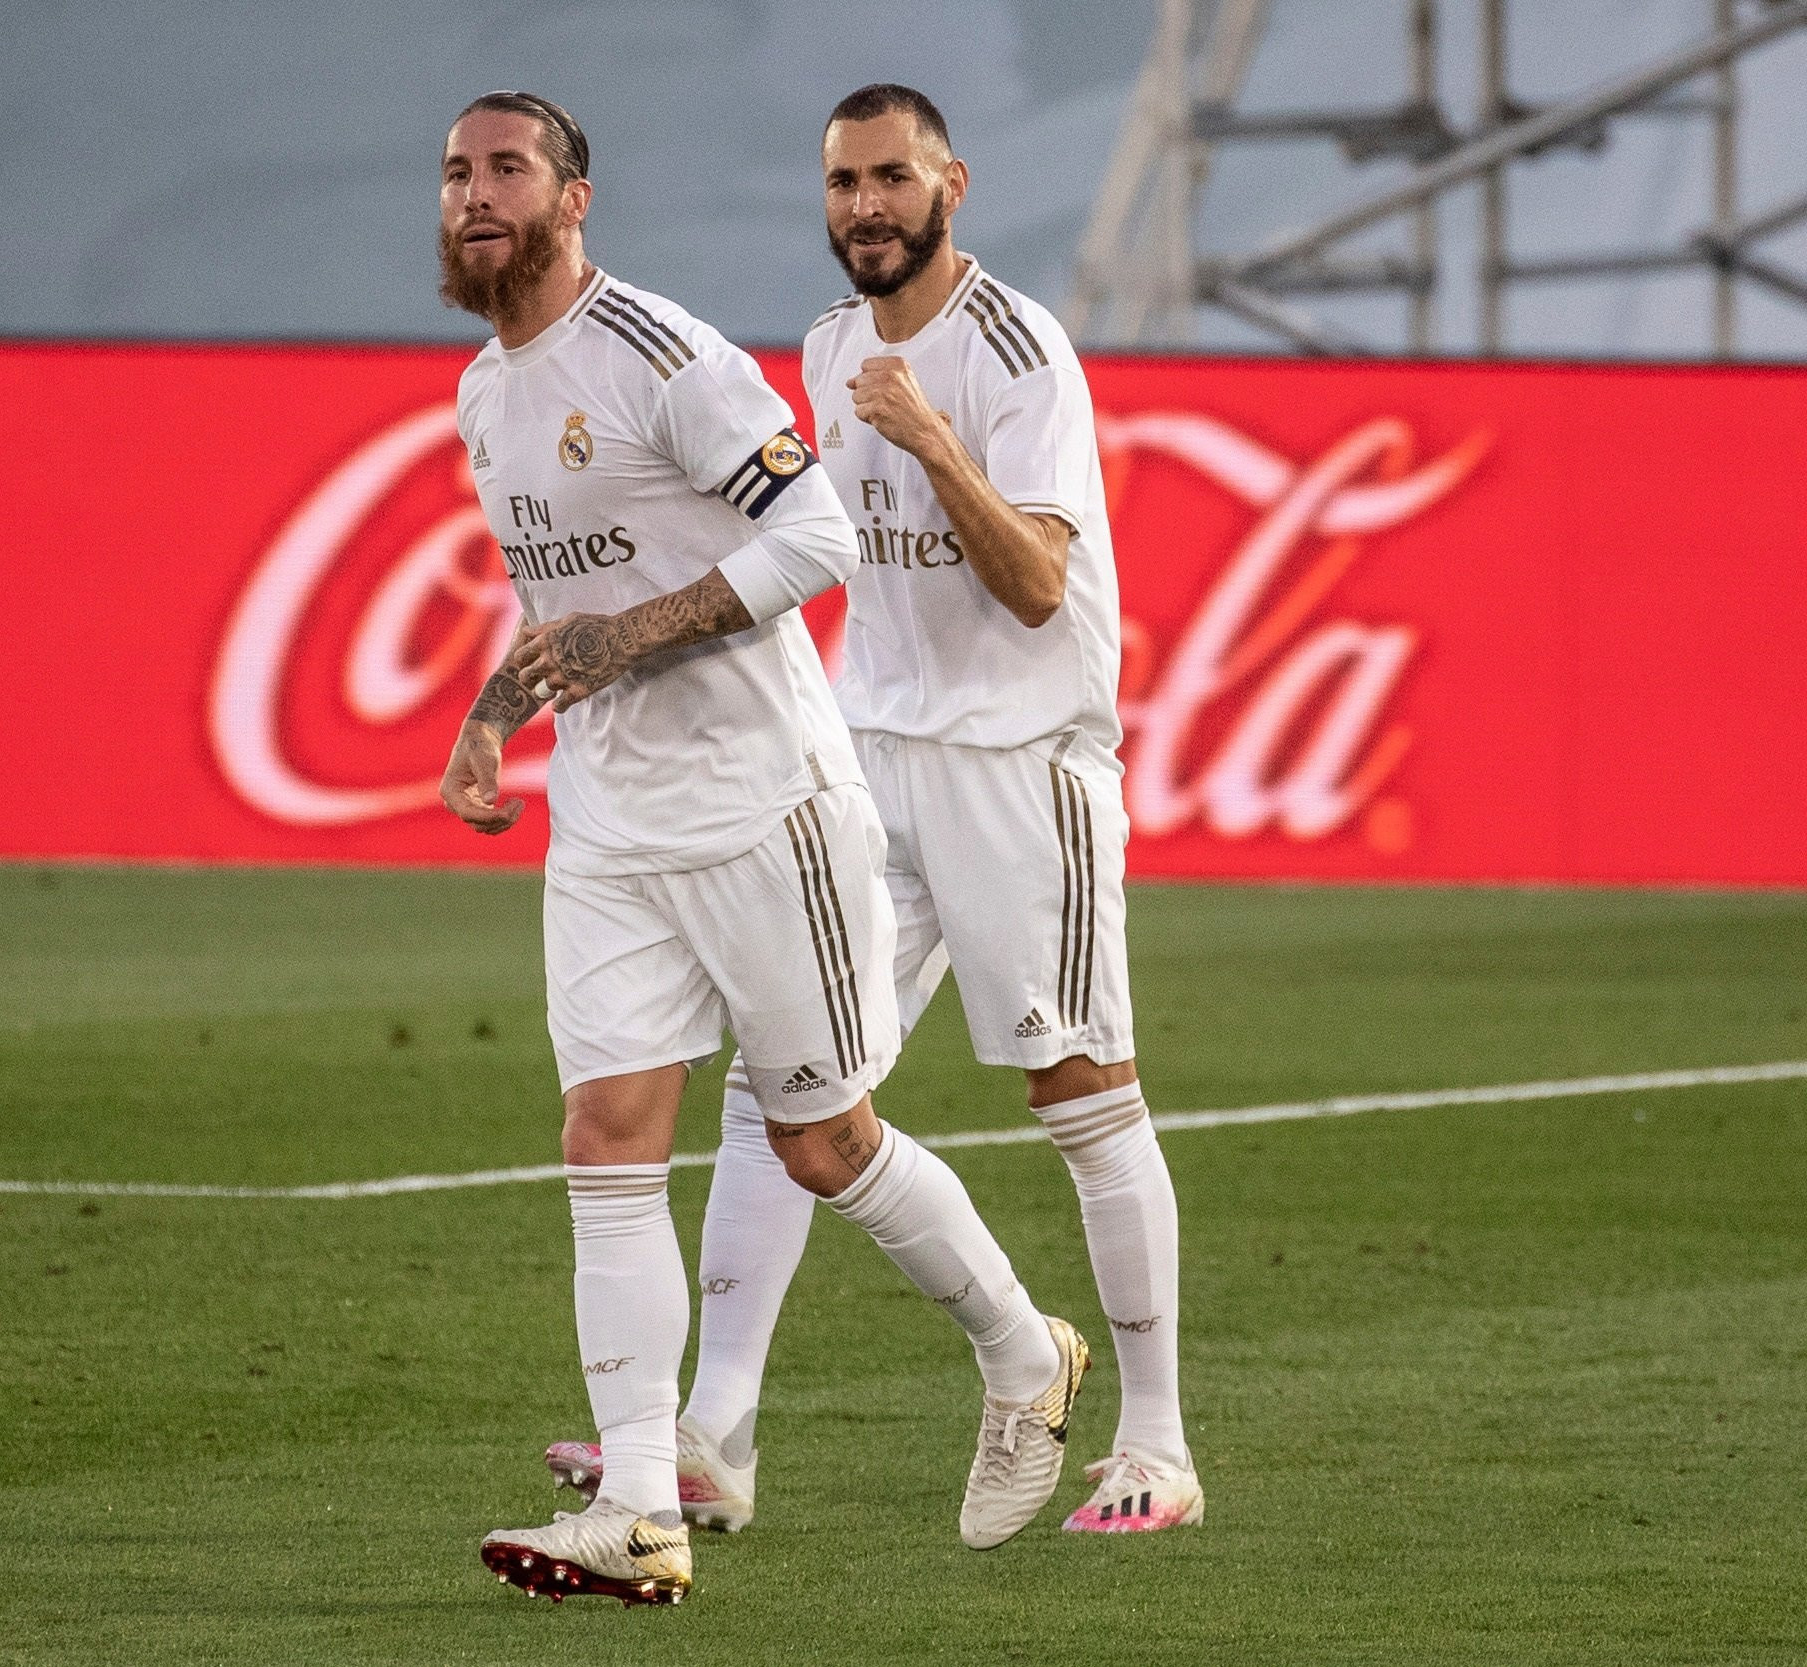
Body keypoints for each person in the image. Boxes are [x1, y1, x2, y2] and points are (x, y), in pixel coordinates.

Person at [436, 90, 1089, 1606]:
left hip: (761, 808)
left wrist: (640, 632)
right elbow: (560, 605)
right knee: (607, 1132)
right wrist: (494, 712)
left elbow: (817, 537)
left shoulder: (658, 356)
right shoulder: (484, 392)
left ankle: (1020, 1342)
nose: (477, 195)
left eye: (509, 169)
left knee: (820, 1139)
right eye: (458, 173)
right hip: (607, 819)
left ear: (574, 198)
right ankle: (648, 1504)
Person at [545, 84, 1203, 1538]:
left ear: (950, 183)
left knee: (1079, 1090)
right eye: (844, 182)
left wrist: (927, 434)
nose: (866, 206)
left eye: (892, 177)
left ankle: (1155, 1440)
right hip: (865, 756)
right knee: (786, 1082)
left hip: (1021, 764)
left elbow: (1036, 584)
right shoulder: (829, 345)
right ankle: (714, 1434)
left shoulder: (1019, 351)